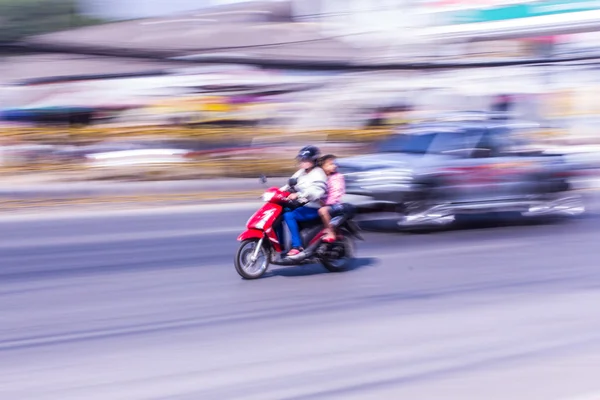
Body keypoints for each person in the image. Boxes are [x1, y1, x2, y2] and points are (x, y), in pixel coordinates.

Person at [277, 145, 327, 257]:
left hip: (314, 207)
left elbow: (316, 192)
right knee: (278, 214)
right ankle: (280, 246)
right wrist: (274, 192)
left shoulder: (319, 174)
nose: (303, 162)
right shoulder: (301, 172)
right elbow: (288, 185)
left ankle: (297, 246)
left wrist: (299, 195)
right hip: (301, 205)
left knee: (289, 215)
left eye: (306, 159)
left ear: (314, 160)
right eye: (302, 159)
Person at [318, 154, 345, 243]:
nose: (334, 166)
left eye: (334, 164)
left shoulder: (337, 177)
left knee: (323, 211)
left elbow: (336, 193)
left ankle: (331, 232)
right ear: (322, 166)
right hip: (323, 203)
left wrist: (326, 204)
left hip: (335, 204)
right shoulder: (321, 177)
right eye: (330, 164)